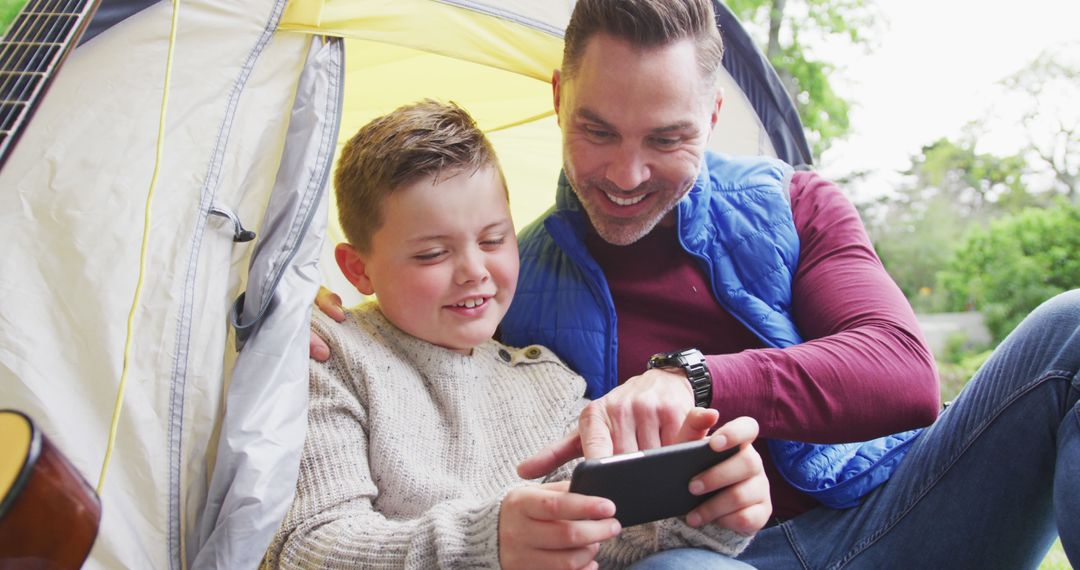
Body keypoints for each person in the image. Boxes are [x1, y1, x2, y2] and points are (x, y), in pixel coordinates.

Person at [314, 0, 1080, 567]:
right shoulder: (517, 280)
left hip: (900, 513)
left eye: (667, 138)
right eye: (598, 130)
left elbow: (903, 374)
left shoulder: (792, 203)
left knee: (1071, 329)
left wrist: (694, 381)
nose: (625, 174)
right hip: (709, 554)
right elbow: (441, 348)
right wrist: (324, 318)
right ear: (558, 100)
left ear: (713, 116)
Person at [266, 100, 770, 570]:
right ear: (358, 269)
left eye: (493, 239)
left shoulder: (548, 381)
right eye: (431, 254)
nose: (474, 272)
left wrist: (699, 507)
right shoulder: (330, 352)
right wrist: (485, 542)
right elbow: (307, 547)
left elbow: (608, 535)